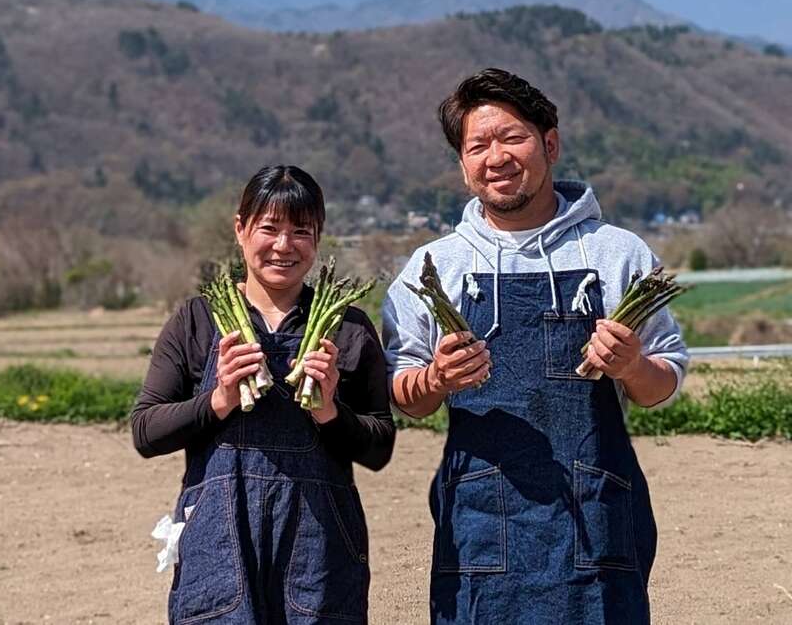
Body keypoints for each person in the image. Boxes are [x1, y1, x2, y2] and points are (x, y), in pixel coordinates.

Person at [382, 68, 688, 625]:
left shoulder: (618, 253)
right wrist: (436, 380)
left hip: (595, 519)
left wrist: (634, 366)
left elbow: (663, 382)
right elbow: (405, 392)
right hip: (479, 526)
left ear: (550, 144)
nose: (495, 157)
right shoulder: (435, 267)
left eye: (512, 138)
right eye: (478, 146)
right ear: (463, 165)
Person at [133, 165, 394, 625]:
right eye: (268, 228)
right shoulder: (195, 320)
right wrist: (220, 400)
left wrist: (330, 411)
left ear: (318, 238)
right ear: (240, 229)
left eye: (301, 231)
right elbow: (145, 431)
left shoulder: (347, 327)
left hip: (320, 549)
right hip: (218, 545)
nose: (283, 245)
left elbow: (379, 446)